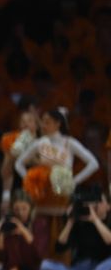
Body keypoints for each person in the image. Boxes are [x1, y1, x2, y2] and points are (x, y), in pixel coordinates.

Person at [15, 108, 98, 254]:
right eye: (43, 122)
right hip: (42, 205)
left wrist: (74, 181)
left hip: (63, 204)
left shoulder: (69, 143)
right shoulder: (39, 144)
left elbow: (93, 163)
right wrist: (30, 181)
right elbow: (19, 164)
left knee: (61, 247)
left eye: (47, 122)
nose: (43, 126)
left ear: (58, 123)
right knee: (40, 246)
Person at [40, 191, 111, 270]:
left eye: (100, 201)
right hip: (79, 269)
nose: (96, 204)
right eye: (95, 202)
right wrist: (70, 221)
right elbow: (59, 247)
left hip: (102, 269)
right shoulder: (80, 222)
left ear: (108, 206)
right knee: (45, 266)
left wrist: (95, 220)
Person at [0, 109, 39, 213]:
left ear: (37, 125)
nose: (25, 123)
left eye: (29, 120)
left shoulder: (43, 142)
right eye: (22, 121)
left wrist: (28, 158)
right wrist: (6, 197)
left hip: (39, 185)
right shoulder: (11, 140)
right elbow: (6, 172)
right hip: (18, 187)